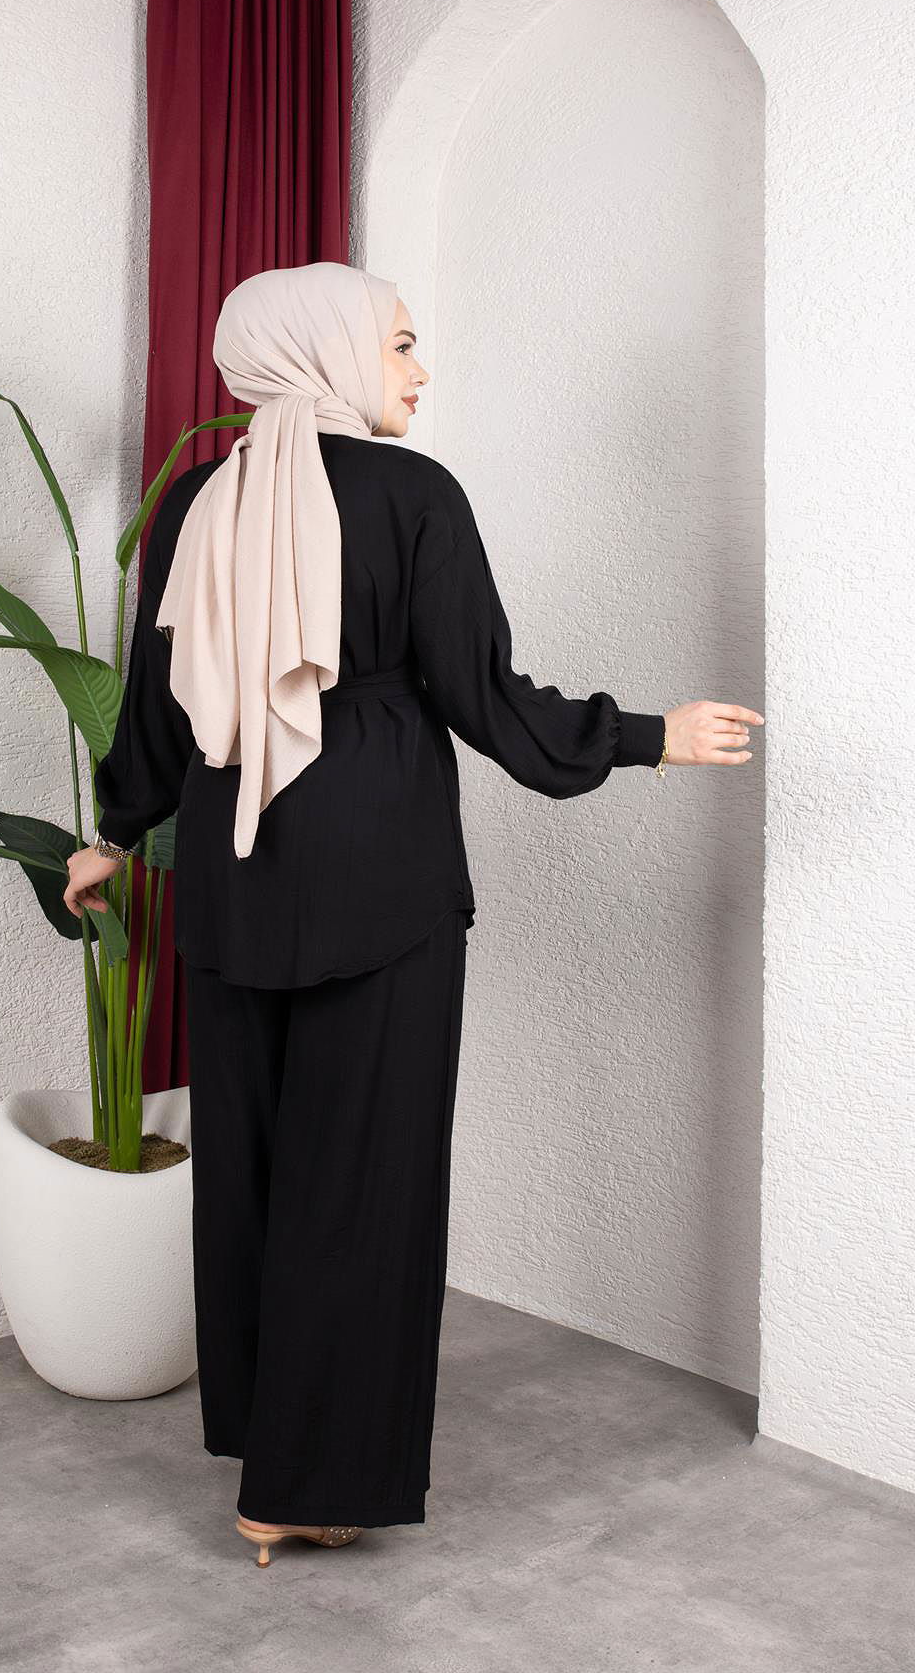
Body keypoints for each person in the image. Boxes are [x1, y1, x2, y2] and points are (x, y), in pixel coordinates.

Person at [62, 262, 764, 1565]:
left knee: (255, 1172)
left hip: (232, 881)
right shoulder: (415, 497)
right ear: (325, 351)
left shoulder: (202, 504)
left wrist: (114, 838)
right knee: (363, 1182)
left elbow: (158, 706)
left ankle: (263, 1454)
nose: (419, 369)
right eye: (398, 343)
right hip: (378, 882)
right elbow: (482, 695)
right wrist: (645, 737)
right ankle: (301, 1483)